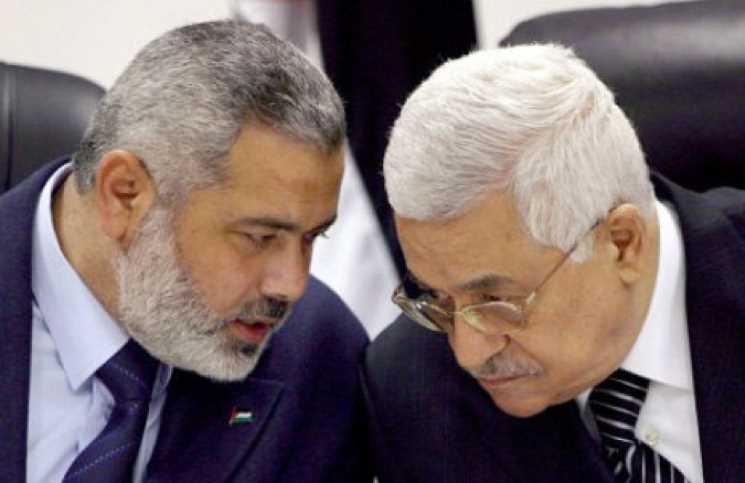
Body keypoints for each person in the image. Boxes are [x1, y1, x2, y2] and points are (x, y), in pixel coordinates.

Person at [0, 20, 370, 483]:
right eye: (260, 237)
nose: (292, 285)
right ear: (125, 195)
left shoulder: (318, 354)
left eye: (313, 237)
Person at [364, 44, 745, 483]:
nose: (467, 353)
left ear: (622, 243)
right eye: (435, 299)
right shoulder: (413, 392)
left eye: (495, 301)